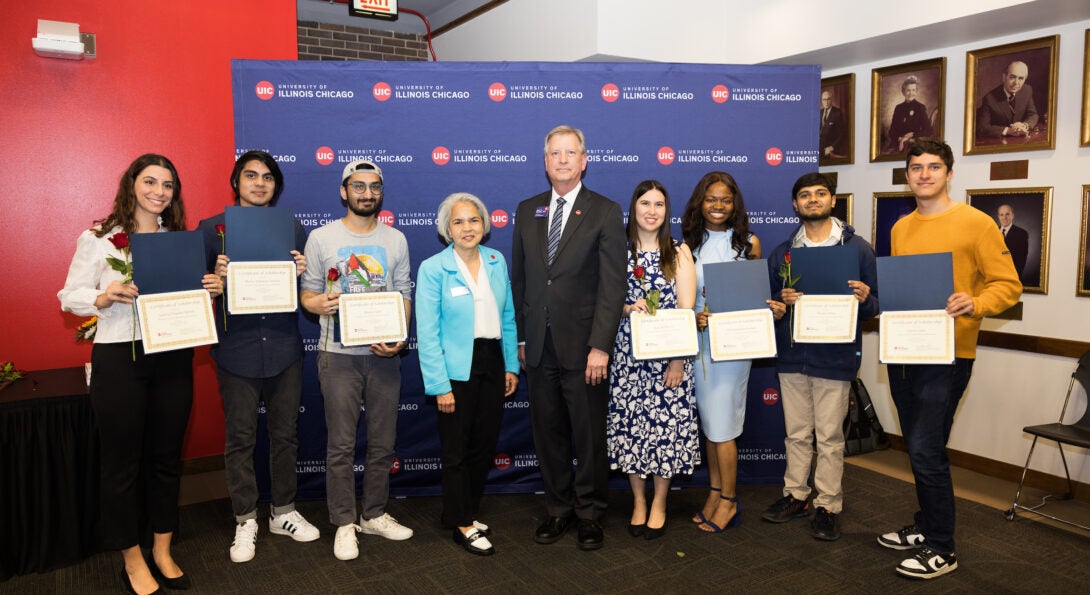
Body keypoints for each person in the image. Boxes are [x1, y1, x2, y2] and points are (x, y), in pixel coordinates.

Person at [58, 154, 224, 594]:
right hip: (118, 357)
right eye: (150, 182)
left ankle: (163, 549)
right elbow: (68, 296)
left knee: (167, 458)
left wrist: (210, 289)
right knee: (122, 465)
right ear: (132, 184)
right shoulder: (99, 238)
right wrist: (104, 294)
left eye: (168, 185)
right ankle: (131, 557)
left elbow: (189, 302)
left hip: (171, 355)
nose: (159, 191)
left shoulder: (181, 241)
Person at [878, 139, 1021, 579]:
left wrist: (973, 302)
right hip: (905, 351)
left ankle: (943, 547)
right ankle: (925, 527)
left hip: (949, 353)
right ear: (907, 176)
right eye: (916, 167)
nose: (924, 174)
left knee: (925, 449)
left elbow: (1008, 286)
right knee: (920, 448)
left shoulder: (977, 223)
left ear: (949, 173)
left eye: (934, 166)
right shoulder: (901, 228)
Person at [196, 151, 319, 564]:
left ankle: (282, 512)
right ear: (236, 181)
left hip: (284, 347)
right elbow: (195, 290)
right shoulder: (211, 231)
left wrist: (302, 270)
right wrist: (214, 281)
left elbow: (308, 292)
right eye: (251, 176)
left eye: (268, 177)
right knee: (241, 439)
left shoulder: (292, 228)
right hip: (236, 351)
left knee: (285, 436)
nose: (260, 183)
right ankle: (245, 518)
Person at [511, 125, 627, 551]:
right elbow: (520, 281)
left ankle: (591, 513)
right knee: (548, 433)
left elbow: (613, 287)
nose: (562, 160)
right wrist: (521, 339)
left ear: (584, 160)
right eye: (554, 153)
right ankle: (558, 509)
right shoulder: (528, 210)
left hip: (585, 349)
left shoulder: (605, 211)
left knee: (588, 434)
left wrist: (601, 346)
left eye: (570, 152)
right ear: (545, 161)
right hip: (538, 348)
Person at [300, 159, 414, 561]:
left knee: (383, 442)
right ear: (343, 191)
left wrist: (399, 338)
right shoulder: (321, 238)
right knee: (342, 445)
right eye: (359, 186)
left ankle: (375, 514)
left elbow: (403, 293)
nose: (368, 194)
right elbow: (307, 295)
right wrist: (321, 302)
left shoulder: (396, 239)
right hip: (338, 356)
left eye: (374, 187)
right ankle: (345, 522)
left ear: (381, 192)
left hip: (383, 356)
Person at [761, 172, 878, 541]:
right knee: (796, 434)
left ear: (832, 200)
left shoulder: (857, 249)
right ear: (795, 204)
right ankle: (796, 496)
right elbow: (770, 306)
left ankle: (828, 504)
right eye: (805, 195)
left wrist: (864, 299)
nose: (813, 200)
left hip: (835, 358)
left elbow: (877, 305)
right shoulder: (782, 252)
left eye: (820, 194)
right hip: (793, 357)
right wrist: (780, 305)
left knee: (829, 438)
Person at [415, 192, 520, 556]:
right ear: (447, 228)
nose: (467, 227)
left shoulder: (496, 260)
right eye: (458, 222)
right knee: (456, 449)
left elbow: (507, 318)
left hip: (492, 360)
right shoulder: (433, 268)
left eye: (473, 220)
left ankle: (463, 512)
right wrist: (439, 385)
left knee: (483, 444)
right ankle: (462, 523)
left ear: (484, 224)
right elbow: (427, 332)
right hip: (456, 368)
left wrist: (511, 365)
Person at [607, 180, 699, 541]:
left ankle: (660, 502)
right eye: (644, 203)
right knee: (632, 431)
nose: (651, 210)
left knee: (665, 434)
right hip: (627, 360)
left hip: (668, 360)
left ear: (666, 211)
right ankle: (638, 502)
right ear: (634, 208)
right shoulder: (617, 250)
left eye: (659, 204)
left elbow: (687, 311)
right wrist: (629, 307)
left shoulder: (679, 253)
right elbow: (603, 302)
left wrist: (677, 361)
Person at [680, 171, 762, 533]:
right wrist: (693, 316)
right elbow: (683, 298)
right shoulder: (686, 245)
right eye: (711, 199)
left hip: (733, 346)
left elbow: (755, 297)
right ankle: (714, 494)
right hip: (698, 345)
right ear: (701, 202)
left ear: (735, 205)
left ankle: (728, 502)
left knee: (724, 425)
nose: (717, 206)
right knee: (711, 425)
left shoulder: (749, 244)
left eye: (725, 200)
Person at [976, 60, 1039, 139]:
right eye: (1012, 77)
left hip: (1021, 140)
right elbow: (982, 128)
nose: (1016, 82)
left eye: (1021, 78)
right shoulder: (989, 98)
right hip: (999, 142)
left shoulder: (1027, 90)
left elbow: (1033, 114)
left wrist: (1024, 125)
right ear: (1004, 77)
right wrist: (1008, 130)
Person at [886, 75, 932, 154]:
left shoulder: (920, 107)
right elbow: (892, 131)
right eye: (908, 90)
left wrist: (911, 135)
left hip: (914, 144)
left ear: (916, 92)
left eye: (913, 90)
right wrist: (901, 139)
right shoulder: (898, 108)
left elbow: (928, 130)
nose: (911, 93)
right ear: (903, 92)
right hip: (898, 143)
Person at [996, 203, 1029, 278]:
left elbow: (1021, 261)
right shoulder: (992, 232)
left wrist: (1012, 279)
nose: (1004, 217)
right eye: (1001, 215)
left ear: (1012, 216)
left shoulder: (1021, 234)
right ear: (998, 217)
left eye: (1007, 214)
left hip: (1011, 278)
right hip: (993, 278)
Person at [819, 90, 846, 159]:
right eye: (824, 100)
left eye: (828, 99)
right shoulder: (819, 112)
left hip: (831, 151)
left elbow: (842, 135)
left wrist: (832, 147)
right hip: (820, 151)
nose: (826, 102)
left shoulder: (837, 113)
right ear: (821, 101)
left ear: (831, 100)